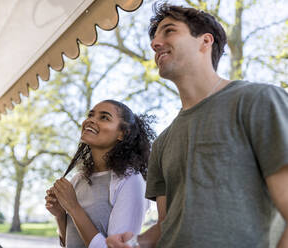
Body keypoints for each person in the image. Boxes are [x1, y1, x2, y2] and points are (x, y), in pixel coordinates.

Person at [106, 2, 288, 248]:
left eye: (169, 31)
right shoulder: (162, 143)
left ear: (205, 41)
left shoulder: (259, 101)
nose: (155, 43)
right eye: (155, 37)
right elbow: (166, 224)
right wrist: (136, 243)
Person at [45, 99, 156, 248]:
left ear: (123, 133)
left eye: (104, 117)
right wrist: (60, 215)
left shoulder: (131, 181)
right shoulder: (78, 179)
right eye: (90, 115)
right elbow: (70, 243)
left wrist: (73, 207)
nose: (91, 120)